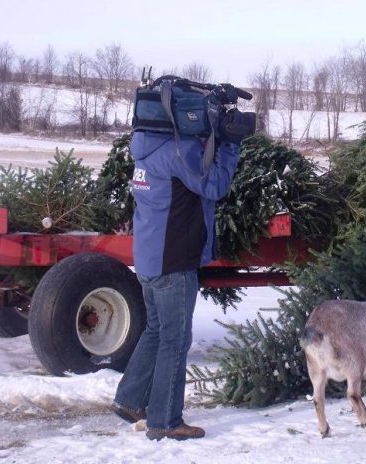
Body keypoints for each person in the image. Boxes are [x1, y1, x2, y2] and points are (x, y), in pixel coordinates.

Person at [111, 131, 240, 439]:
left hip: (148, 256)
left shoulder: (145, 149)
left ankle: (129, 400)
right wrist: (230, 144)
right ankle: (165, 421)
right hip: (172, 261)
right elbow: (216, 186)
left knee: (156, 331)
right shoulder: (177, 153)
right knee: (175, 339)